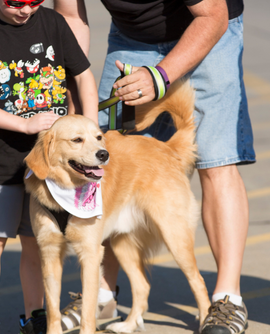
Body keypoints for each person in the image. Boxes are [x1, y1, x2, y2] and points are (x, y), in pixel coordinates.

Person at [54, 0, 256, 333]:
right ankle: (101, 296)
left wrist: (160, 77)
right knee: (104, 160)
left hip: (209, 31)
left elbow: (213, 15)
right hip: (132, 39)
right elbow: (71, 16)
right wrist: (75, 90)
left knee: (217, 163)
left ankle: (226, 299)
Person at [0, 1, 99, 333]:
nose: (24, 10)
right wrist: (24, 125)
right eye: (15, 3)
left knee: (34, 241)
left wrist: (92, 133)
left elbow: (83, 77)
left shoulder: (51, 23)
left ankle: (35, 315)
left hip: (48, 166)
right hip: (2, 160)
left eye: (33, 2)